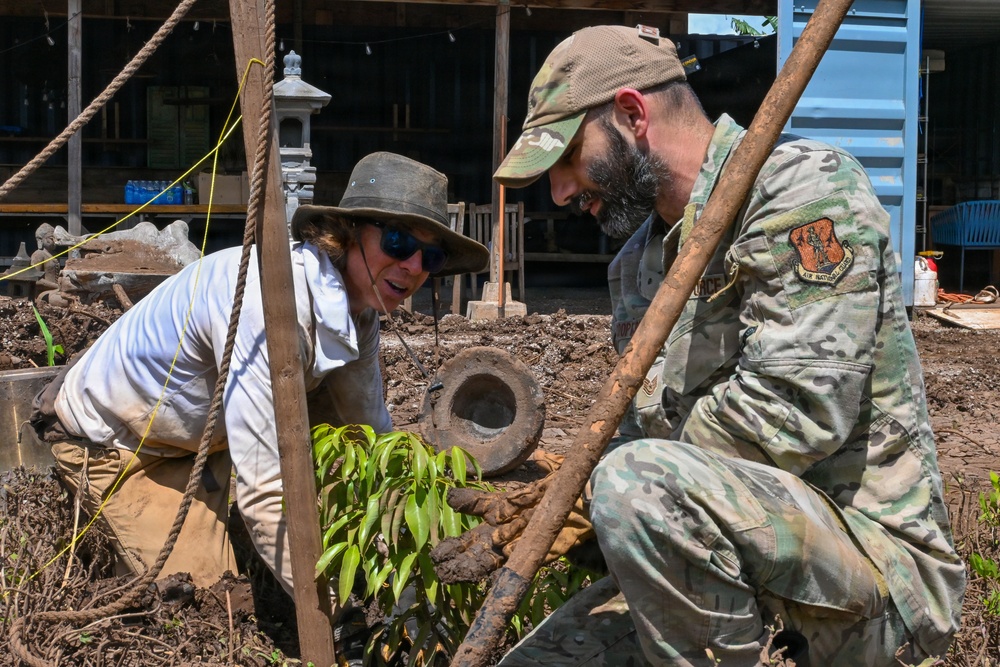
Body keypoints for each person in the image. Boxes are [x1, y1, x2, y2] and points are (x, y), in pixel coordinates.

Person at [489, 24, 964, 666]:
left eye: (570, 157)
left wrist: (604, 489)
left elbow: (797, 413)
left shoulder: (802, 191)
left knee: (634, 484)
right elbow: (646, 439)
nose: (561, 192)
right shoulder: (638, 266)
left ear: (632, 114)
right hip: (738, 562)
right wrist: (574, 506)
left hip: (874, 571)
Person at [33, 152, 488, 593]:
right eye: (398, 243)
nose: (413, 267)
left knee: (342, 431)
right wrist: (331, 609)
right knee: (203, 597)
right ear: (347, 233)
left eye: (431, 258)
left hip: (200, 447)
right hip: (119, 445)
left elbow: (369, 428)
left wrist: (422, 515)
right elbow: (266, 492)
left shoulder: (360, 311)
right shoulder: (268, 303)